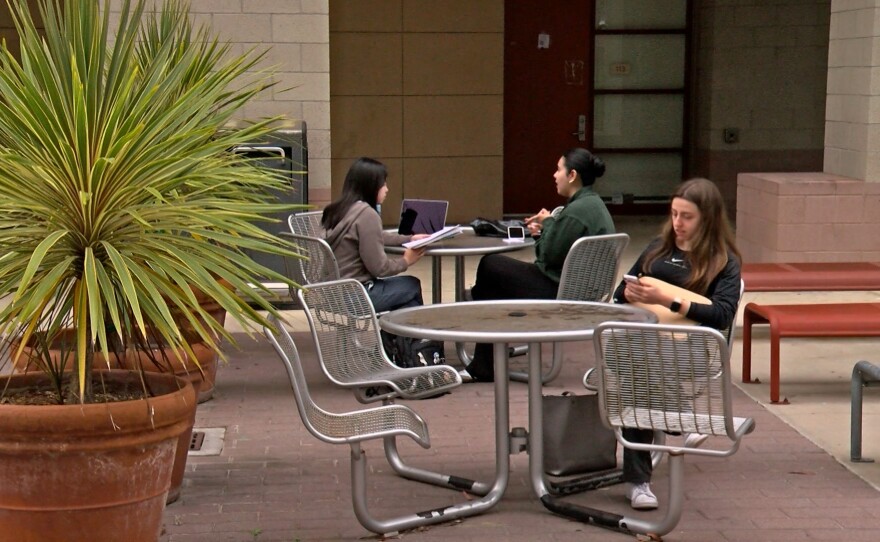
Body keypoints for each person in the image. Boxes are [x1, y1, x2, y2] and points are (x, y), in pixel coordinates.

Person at [612, 177, 742, 511]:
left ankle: (639, 483)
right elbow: (619, 296)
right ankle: (681, 414)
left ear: (708, 219)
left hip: (692, 349)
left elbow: (723, 315)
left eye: (687, 216)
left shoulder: (723, 261)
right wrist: (628, 294)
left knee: (637, 377)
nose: (678, 223)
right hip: (643, 345)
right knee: (641, 362)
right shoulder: (657, 248)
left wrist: (669, 300)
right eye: (674, 214)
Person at [466, 147, 615, 382]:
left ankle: (484, 357)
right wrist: (549, 227)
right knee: (492, 285)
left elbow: (546, 257)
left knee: (490, 265)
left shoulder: (576, 212)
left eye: (558, 169)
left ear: (572, 175)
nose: (554, 175)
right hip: (583, 289)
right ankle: (485, 359)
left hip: (562, 292)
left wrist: (547, 226)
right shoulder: (592, 205)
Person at [322, 157, 427, 312]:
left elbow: (373, 235)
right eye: (383, 184)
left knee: (405, 296)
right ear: (370, 187)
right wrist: (406, 260)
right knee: (411, 286)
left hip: (331, 292)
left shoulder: (338, 210)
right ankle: (406, 336)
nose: (387, 189)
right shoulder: (367, 215)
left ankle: (399, 337)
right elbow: (380, 268)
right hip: (356, 295)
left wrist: (408, 239)